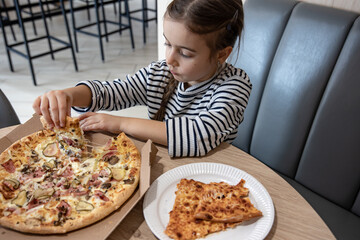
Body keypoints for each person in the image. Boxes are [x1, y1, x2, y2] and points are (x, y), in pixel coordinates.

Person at [33, 0, 252, 157]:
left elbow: (198, 135)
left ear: (222, 53)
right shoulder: (161, 73)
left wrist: (120, 123)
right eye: (167, 44)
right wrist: (68, 95)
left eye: (185, 53)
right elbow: (115, 91)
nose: (169, 59)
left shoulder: (235, 86)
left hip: (208, 177)